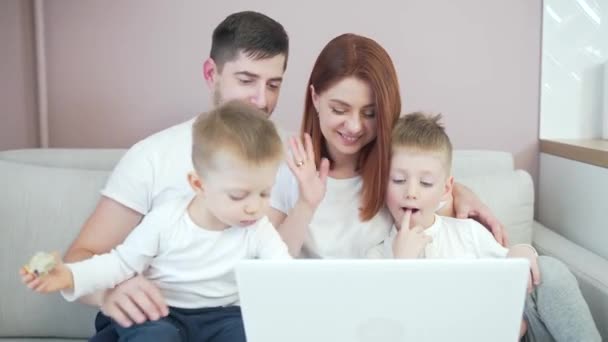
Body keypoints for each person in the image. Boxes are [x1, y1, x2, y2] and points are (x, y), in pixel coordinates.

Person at [65, 12, 501, 335]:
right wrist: (110, 292)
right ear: (210, 74)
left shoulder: (287, 156)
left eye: (273, 84)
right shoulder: (154, 156)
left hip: (236, 320)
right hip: (162, 314)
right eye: (246, 80)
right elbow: (80, 258)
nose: (259, 100)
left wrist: (459, 191)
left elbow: (401, 184)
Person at [22, 100, 291, 342]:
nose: (254, 207)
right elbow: (119, 265)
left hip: (223, 317)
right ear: (199, 184)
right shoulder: (165, 221)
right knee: (155, 336)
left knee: (250, 334)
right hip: (161, 312)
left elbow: (285, 275)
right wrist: (70, 276)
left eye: (265, 193)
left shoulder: (258, 230)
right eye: (238, 195)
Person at [368, 112, 601, 342]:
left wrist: (523, 252)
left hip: (512, 328)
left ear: (446, 189)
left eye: (426, 183)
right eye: (398, 180)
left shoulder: (467, 232)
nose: (411, 192)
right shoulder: (377, 256)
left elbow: (512, 271)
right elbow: (385, 328)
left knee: (550, 270)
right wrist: (400, 269)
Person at [269, 33, 504, 259]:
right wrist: (305, 205)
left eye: (370, 113)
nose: (354, 126)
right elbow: (269, 265)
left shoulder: (395, 171)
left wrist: (459, 191)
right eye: (339, 109)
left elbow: (440, 230)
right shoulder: (291, 170)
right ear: (315, 98)